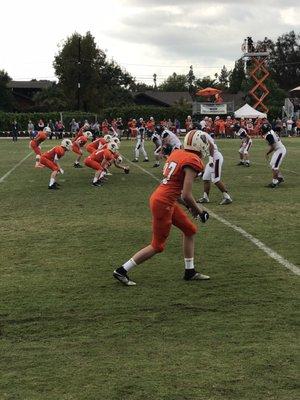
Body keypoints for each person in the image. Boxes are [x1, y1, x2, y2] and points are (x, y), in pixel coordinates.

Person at [113, 130, 210, 286]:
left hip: (163, 198)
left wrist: (191, 208)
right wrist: (200, 211)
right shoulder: (193, 160)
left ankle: (190, 271)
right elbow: (186, 194)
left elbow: (177, 192)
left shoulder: (177, 153)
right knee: (157, 246)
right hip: (163, 203)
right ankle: (122, 270)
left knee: (190, 230)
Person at [197, 130, 233, 205]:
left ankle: (227, 197)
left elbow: (211, 146)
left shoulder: (201, 135)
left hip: (215, 158)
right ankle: (205, 197)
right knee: (205, 178)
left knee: (215, 179)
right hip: (213, 158)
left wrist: (210, 160)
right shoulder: (201, 135)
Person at [261, 123, 287, 188]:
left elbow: (273, 146)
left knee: (275, 167)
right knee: (272, 164)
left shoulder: (269, 135)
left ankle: (274, 183)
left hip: (280, 150)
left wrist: (267, 153)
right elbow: (278, 128)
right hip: (277, 150)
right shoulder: (271, 131)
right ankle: (280, 178)